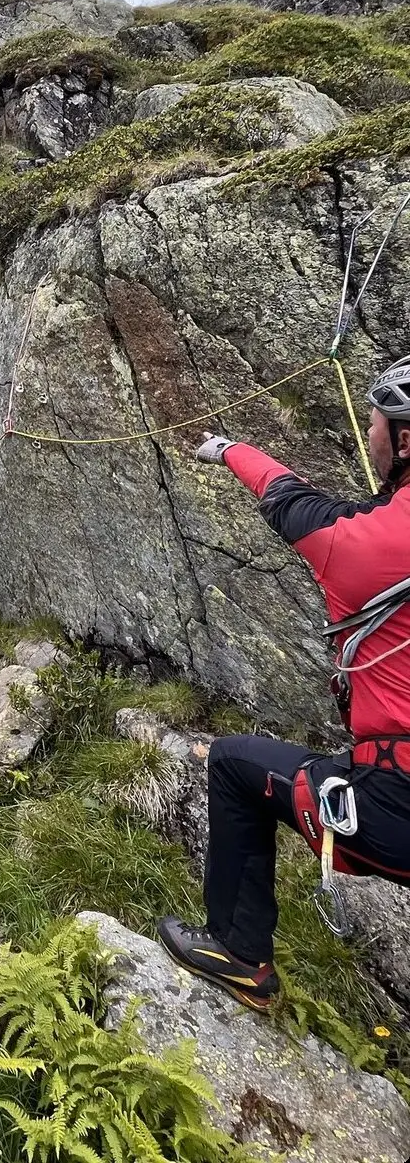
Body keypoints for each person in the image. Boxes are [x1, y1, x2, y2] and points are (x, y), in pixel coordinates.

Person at [159, 355, 410, 1012]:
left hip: (395, 805)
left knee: (233, 764)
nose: (370, 433)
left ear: (405, 438)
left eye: (376, 421)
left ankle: (240, 952)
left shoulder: (362, 545)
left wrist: (228, 449)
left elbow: (288, 498)